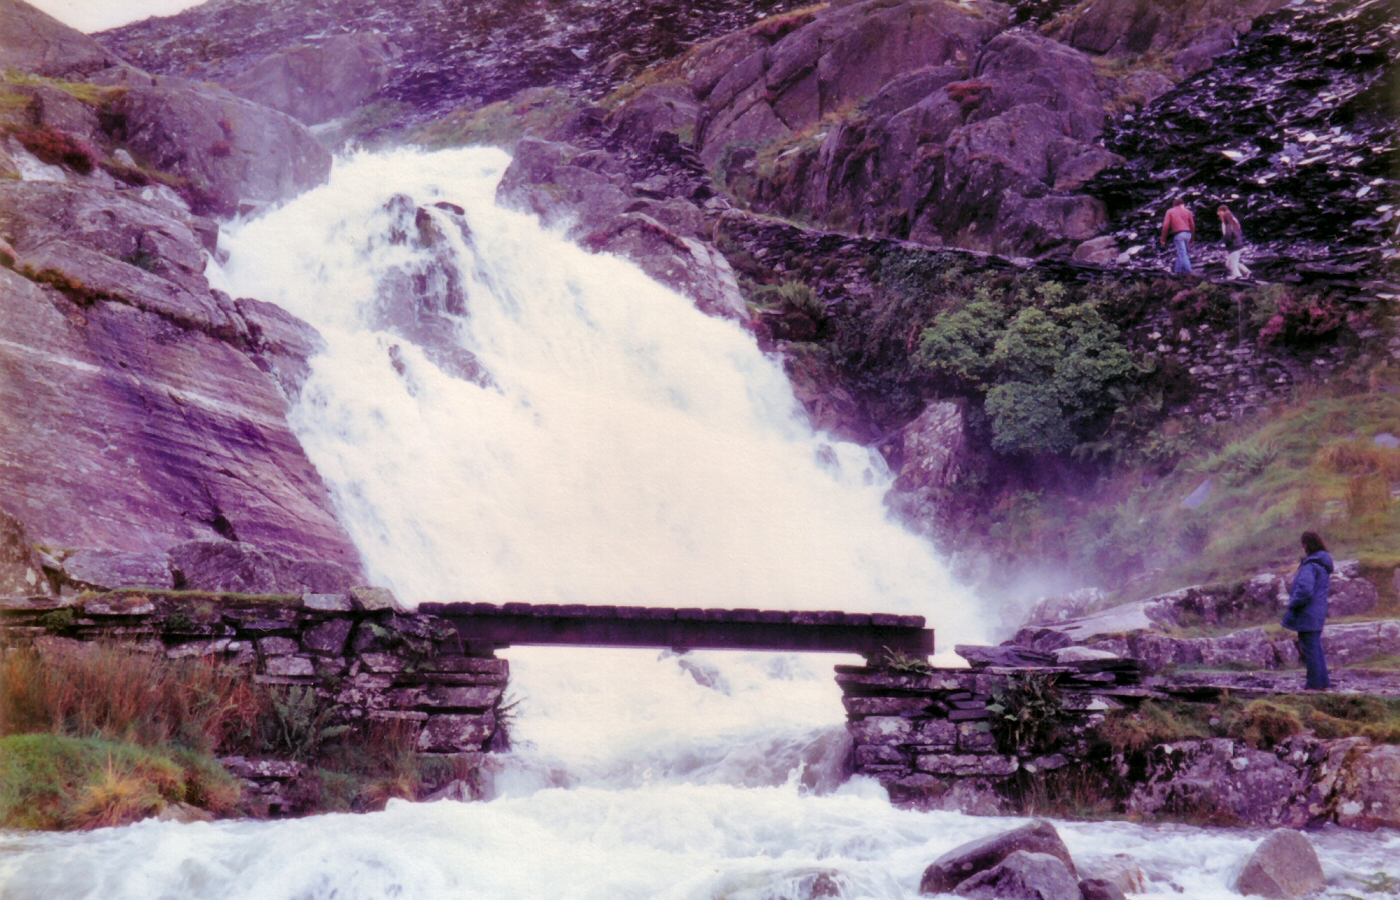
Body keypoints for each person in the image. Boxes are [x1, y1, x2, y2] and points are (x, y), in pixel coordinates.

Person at [1282, 531, 1333, 691]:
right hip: (1318, 613)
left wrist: (1292, 604)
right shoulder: (1322, 565)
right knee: (1315, 647)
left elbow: (1304, 590)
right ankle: (1323, 684)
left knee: (1310, 649)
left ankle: (1314, 685)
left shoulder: (1310, 566)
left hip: (1307, 614)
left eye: (1303, 544)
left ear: (1307, 545)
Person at [1160, 196, 1195, 274]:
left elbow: (1166, 226)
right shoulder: (1188, 212)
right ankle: (1177, 272)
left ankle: (1190, 272)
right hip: (1188, 234)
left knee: (1182, 254)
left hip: (1179, 235)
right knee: (1180, 253)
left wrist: (1163, 239)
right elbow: (1192, 225)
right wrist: (1192, 239)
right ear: (1182, 204)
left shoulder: (1170, 211)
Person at [1217, 205, 1251, 280]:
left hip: (1234, 247)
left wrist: (1225, 244)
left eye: (1220, 215)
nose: (1219, 217)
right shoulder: (1233, 221)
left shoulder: (1228, 224)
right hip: (1238, 244)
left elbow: (1228, 236)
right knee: (1229, 263)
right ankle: (1247, 272)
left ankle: (1238, 277)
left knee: (1233, 266)